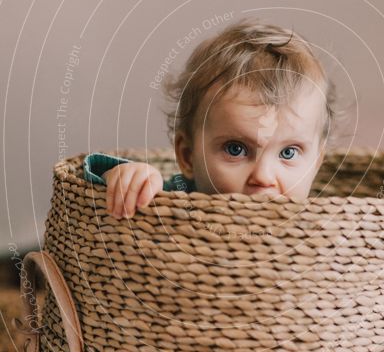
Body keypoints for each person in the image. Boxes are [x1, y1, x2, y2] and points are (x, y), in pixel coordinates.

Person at [84, 18, 337, 218]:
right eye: (236, 149)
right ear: (188, 156)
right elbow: (91, 179)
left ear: (316, 162)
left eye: (288, 153)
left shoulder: (323, 226)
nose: (263, 177)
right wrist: (127, 179)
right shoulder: (179, 202)